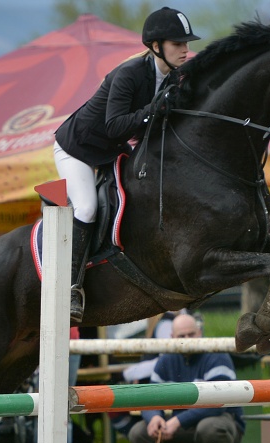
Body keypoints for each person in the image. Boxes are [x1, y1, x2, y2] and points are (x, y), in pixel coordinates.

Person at [53, 7, 200, 322]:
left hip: (113, 150)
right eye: (178, 44)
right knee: (87, 208)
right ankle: (70, 287)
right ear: (156, 46)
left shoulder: (177, 77)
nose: (186, 50)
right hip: (77, 147)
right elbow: (115, 126)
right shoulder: (129, 74)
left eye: (187, 43)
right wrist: (154, 108)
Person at [127, 313, 245, 443]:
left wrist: (176, 422)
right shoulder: (166, 360)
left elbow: (218, 403)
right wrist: (154, 417)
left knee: (209, 428)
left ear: (200, 332)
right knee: (139, 432)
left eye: (191, 334)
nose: (187, 339)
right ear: (172, 337)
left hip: (222, 422)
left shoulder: (217, 355)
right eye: (182, 336)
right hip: (182, 426)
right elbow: (150, 397)